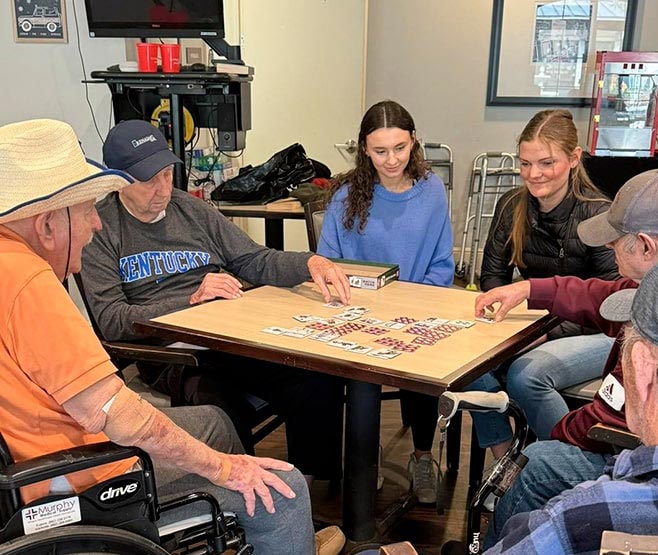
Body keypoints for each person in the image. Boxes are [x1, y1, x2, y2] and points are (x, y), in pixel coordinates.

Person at [0, 118, 344, 555]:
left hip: (51, 456)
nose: (96, 225)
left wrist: (308, 263)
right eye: (86, 209)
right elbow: (116, 412)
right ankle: (269, 522)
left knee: (218, 421)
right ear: (48, 224)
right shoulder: (30, 283)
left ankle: (245, 532)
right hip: (76, 481)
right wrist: (226, 469)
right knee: (281, 487)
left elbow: (253, 259)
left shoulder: (9, 261)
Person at [80, 119, 350, 486]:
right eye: (148, 181)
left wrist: (308, 262)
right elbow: (112, 319)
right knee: (218, 401)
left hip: (227, 335)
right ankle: (245, 494)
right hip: (170, 353)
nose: (162, 189)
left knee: (316, 372)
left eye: (166, 174)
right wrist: (190, 299)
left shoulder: (190, 209)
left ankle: (310, 483)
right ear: (117, 181)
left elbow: (253, 259)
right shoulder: (100, 229)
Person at [475, 169, 658, 548]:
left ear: (645, 247)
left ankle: (496, 546)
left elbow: (614, 414)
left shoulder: (648, 336)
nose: (607, 248)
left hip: (638, 458)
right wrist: (529, 288)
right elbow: (601, 295)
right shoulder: (645, 289)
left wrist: (563, 433)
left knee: (538, 462)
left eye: (615, 242)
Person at [317, 100, 454, 504]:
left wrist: (411, 310)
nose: (391, 159)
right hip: (358, 314)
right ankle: (363, 454)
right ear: (363, 149)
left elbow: (442, 264)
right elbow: (326, 264)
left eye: (400, 148)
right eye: (380, 151)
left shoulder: (431, 191)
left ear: (414, 143)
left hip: (417, 311)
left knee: (423, 364)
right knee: (348, 370)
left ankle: (423, 456)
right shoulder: (345, 196)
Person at [466, 109, 619, 457]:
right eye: (525, 164)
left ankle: (569, 466)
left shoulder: (598, 215)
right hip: (536, 323)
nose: (533, 175)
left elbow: (612, 303)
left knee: (526, 375)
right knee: (465, 365)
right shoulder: (510, 206)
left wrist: (547, 332)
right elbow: (492, 277)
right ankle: (506, 464)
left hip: (596, 332)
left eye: (546, 163)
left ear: (574, 159)